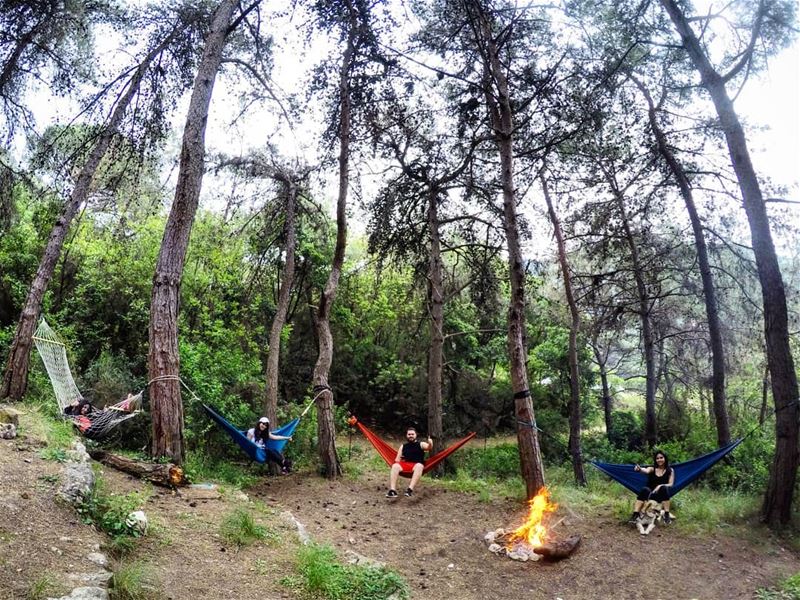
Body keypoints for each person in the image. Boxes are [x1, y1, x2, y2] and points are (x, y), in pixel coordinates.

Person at [629, 450, 675, 524]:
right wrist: (639, 469)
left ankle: (666, 514)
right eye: (657, 458)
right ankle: (635, 515)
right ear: (655, 460)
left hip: (661, 495)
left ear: (665, 458)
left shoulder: (670, 470)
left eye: (661, 457)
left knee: (664, 488)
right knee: (645, 489)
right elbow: (646, 470)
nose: (659, 460)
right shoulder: (652, 468)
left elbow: (671, 484)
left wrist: (660, 485)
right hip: (649, 494)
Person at [386, 427, 433, 498]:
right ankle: (393, 491)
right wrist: (394, 464)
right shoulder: (403, 446)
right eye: (409, 434)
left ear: (416, 435)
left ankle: (409, 490)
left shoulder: (421, 444)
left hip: (416, 465)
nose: (411, 436)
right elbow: (397, 460)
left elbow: (429, 447)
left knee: (419, 466)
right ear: (406, 435)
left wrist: (430, 443)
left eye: (412, 434)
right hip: (406, 465)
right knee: (395, 466)